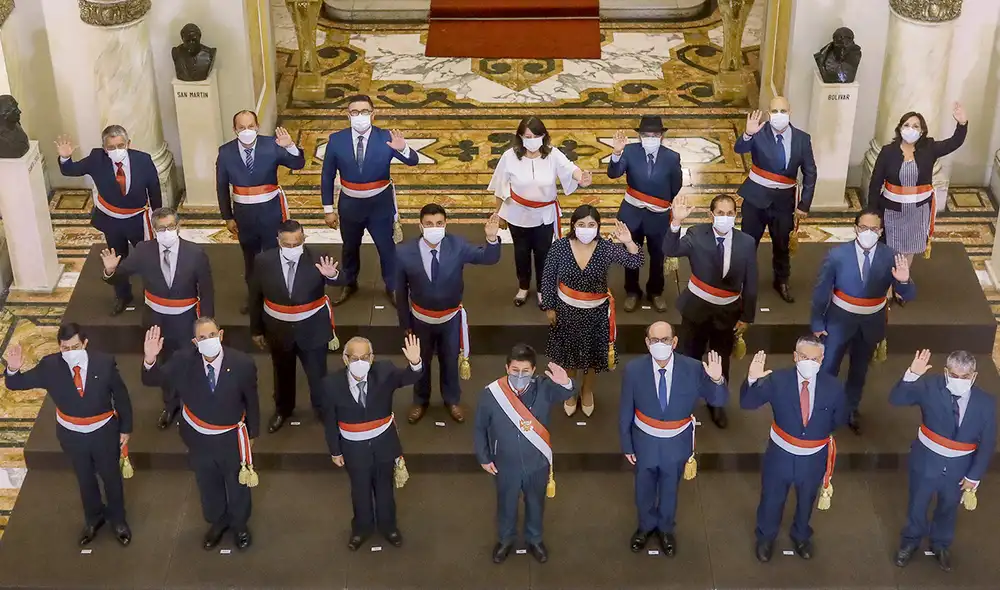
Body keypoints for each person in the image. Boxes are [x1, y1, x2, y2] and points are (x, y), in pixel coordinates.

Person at [3, 323, 133, 546]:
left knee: (111, 478)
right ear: (59, 348)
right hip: (72, 436)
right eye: (65, 348)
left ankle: (118, 520)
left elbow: (121, 397)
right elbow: (16, 384)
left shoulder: (104, 364)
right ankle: (93, 519)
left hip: (104, 433)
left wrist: (126, 429)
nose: (70, 352)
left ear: (85, 343)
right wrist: (13, 369)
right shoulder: (50, 366)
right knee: (84, 478)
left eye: (75, 347)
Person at [141, 319, 260, 551]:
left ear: (221, 335)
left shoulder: (242, 363)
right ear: (195, 342)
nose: (208, 341)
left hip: (231, 439)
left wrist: (252, 433)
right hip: (198, 439)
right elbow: (153, 379)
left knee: (237, 484)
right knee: (207, 484)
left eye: (212, 335)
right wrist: (150, 359)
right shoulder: (183, 361)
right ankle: (217, 522)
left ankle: (240, 525)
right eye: (202, 338)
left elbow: (252, 401)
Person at [100, 207, 214, 430]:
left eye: (171, 226)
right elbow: (119, 276)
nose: (167, 231)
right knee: (164, 365)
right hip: (156, 322)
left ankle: (194, 404)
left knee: (192, 363)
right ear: (154, 230)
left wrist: (207, 323)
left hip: (186, 319)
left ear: (178, 226)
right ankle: (171, 405)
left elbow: (207, 291)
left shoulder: (195, 253)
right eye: (162, 228)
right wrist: (110, 271)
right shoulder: (143, 251)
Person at [619, 321, 726, 556]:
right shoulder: (634, 369)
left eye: (665, 340)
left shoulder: (694, 368)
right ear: (647, 343)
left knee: (670, 489)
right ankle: (645, 526)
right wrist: (626, 443)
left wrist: (716, 381)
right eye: (655, 340)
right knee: (644, 488)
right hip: (644, 440)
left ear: (674, 342)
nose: (660, 345)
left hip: (677, 443)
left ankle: (666, 528)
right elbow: (626, 409)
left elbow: (717, 401)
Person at [740, 338, 847, 563]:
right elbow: (748, 403)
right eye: (805, 357)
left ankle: (801, 535)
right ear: (795, 357)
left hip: (814, 457)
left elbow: (839, 419)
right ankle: (766, 536)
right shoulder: (777, 380)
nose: (809, 362)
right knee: (772, 497)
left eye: (815, 359)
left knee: (807, 498)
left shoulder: (834, 387)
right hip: (781, 454)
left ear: (822, 360)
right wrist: (752, 380)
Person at [889, 349, 996, 573]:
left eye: (965, 377)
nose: (959, 380)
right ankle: (910, 541)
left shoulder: (986, 403)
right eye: (954, 375)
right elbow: (896, 399)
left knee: (948, 507)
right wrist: (912, 374)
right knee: (917, 503)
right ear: (946, 372)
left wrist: (974, 476)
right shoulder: (928, 386)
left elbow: (987, 444)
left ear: (974, 376)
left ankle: (941, 544)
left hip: (960, 467)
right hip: (927, 459)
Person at [396, 204, 501, 424]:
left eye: (439, 223)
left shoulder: (458, 245)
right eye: (429, 224)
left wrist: (492, 239)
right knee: (419, 362)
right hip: (420, 320)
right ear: (420, 225)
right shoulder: (404, 252)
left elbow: (488, 258)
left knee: (450, 361)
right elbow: (400, 291)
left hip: (450, 320)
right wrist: (405, 323)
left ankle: (452, 399)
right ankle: (420, 400)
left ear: (446, 224)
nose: (435, 227)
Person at [811, 210, 914, 435]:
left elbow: (908, 294)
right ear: (856, 228)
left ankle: (850, 408)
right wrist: (817, 323)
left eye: (874, 229)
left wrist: (904, 282)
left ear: (881, 231)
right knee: (828, 367)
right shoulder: (837, 255)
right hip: (839, 321)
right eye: (864, 228)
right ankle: (821, 407)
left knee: (859, 371)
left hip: (871, 323)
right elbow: (821, 292)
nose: (869, 233)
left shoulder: (891, 256)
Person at [474, 344, 576, 564]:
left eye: (525, 371)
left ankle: (535, 538)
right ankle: (505, 539)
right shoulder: (492, 394)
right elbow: (480, 427)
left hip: (537, 463)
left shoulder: (545, 388)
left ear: (534, 370)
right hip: (505, 464)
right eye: (515, 370)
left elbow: (569, 392)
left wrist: (565, 381)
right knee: (506, 504)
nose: (519, 375)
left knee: (536, 503)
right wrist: (484, 457)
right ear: (506, 368)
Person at [320, 335, 423, 551]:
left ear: (372, 357)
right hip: (353, 448)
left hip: (384, 444)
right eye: (355, 357)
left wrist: (415, 363)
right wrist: (334, 451)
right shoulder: (331, 384)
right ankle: (361, 529)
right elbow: (330, 421)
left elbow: (409, 378)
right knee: (360, 490)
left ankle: (388, 527)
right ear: (345, 359)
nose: (360, 362)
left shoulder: (384, 371)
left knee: (385, 489)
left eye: (365, 357)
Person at [665, 194, 758, 429]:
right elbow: (670, 248)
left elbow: (751, 281)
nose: (725, 218)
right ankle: (684, 401)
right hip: (696, 308)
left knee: (721, 359)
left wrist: (747, 315)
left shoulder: (746, 242)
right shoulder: (696, 234)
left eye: (730, 213)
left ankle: (716, 403)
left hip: (727, 313)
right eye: (720, 213)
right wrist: (676, 223)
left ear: (736, 216)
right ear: (711, 215)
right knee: (689, 357)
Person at [541, 205, 642, 417]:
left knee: (593, 359)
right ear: (573, 225)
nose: (586, 228)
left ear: (598, 227)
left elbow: (636, 262)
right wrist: (549, 307)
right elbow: (548, 278)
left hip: (596, 314)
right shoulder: (560, 247)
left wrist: (628, 242)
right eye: (581, 224)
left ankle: (587, 391)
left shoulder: (605, 248)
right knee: (569, 357)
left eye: (591, 224)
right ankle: (570, 391)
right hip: (566, 311)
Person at [320, 94, 419, 307]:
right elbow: (327, 176)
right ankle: (349, 282)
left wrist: (402, 148)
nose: (359, 116)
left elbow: (413, 161)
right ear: (348, 115)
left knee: (386, 248)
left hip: (380, 205)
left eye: (364, 112)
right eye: (354, 112)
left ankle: (392, 286)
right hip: (350, 204)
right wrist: (328, 209)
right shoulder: (336, 140)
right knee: (350, 247)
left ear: (373, 115)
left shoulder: (386, 137)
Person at [249, 219, 344, 433]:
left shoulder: (319, 256)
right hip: (278, 330)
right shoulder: (263, 261)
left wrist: (333, 276)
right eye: (288, 244)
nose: (293, 248)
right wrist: (256, 329)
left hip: (312, 329)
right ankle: (283, 409)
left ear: (304, 239)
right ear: (278, 241)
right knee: (281, 373)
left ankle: (323, 411)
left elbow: (343, 278)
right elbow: (255, 296)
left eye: (297, 243)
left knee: (318, 375)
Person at [867, 103, 967, 304]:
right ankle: (886, 287)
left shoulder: (928, 148)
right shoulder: (888, 151)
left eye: (915, 126)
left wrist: (962, 123)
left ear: (922, 131)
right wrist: (872, 213)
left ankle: (901, 283)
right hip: (892, 210)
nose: (910, 129)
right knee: (890, 250)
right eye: (907, 124)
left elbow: (954, 142)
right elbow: (875, 182)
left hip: (918, 211)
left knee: (909, 249)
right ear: (900, 128)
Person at [56, 125, 162, 315]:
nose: (116, 150)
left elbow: (154, 188)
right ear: (105, 148)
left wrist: (158, 215)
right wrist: (65, 158)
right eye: (111, 147)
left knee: (147, 256)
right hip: (112, 221)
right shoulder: (97, 159)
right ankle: (123, 295)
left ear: (128, 144)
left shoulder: (143, 160)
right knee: (116, 259)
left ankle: (151, 293)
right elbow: (71, 170)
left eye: (120, 145)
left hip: (138, 219)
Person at [488, 116, 593, 308]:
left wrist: (582, 177)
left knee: (543, 254)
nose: (532, 139)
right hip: (517, 214)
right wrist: (499, 214)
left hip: (544, 215)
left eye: (536, 135)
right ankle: (523, 286)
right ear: (520, 137)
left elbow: (570, 169)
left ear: (543, 136)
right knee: (521, 252)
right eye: (527, 136)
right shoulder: (509, 156)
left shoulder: (553, 155)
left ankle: (543, 290)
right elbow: (499, 185)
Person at [216, 110, 305, 313]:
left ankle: (279, 295)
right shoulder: (225, 152)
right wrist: (227, 217)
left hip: (270, 212)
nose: (247, 131)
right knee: (251, 259)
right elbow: (221, 186)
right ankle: (255, 298)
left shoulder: (272, 145)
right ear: (234, 130)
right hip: (244, 216)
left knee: (276, 255)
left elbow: (298, 164)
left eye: (250, 126)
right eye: (242, 128)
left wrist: (290, 146)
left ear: (257, 127)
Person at [736, 96, 817, 304]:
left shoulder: (802, 138)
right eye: (774, 111)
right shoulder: (758, 132)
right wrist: (747, 134)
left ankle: (781, 280)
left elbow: (810, 172)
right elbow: (739, 149)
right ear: (768, 113)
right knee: (747, 243)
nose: (778, 115)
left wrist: (804, 203)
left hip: (783, 202)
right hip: (756, 199)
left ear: (790, 112)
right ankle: (743, 281)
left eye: (782, 110)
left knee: (781, 244)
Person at [607, 116, 683, 312]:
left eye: (655, 135)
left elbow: (676, 185)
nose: (650, 138)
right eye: (646, 135)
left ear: (662, 136)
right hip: (632, 213)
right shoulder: (629, 152)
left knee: (658, 255)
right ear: (640, 136)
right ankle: (632, 291)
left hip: (658, 216)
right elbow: (613, 174)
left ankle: (655, 292)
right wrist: (616, 153)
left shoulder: (672, 157)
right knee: (630, 251)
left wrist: (657, 202)